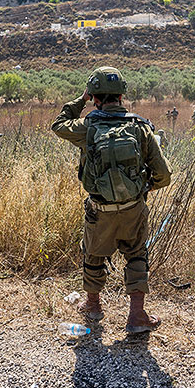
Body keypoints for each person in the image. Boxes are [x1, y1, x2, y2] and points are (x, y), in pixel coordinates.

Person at [52, 67, 171, 333]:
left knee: (93, 254)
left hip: (100, 209)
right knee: (137, 254)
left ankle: (93, 307)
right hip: (133, 208)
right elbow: (164, 175)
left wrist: (80, 101)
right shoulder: (140, 127)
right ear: (121, 95)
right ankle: (137, 316)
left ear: (95, 96)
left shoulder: (88, 126)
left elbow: (58, 125)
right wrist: (144, 188)